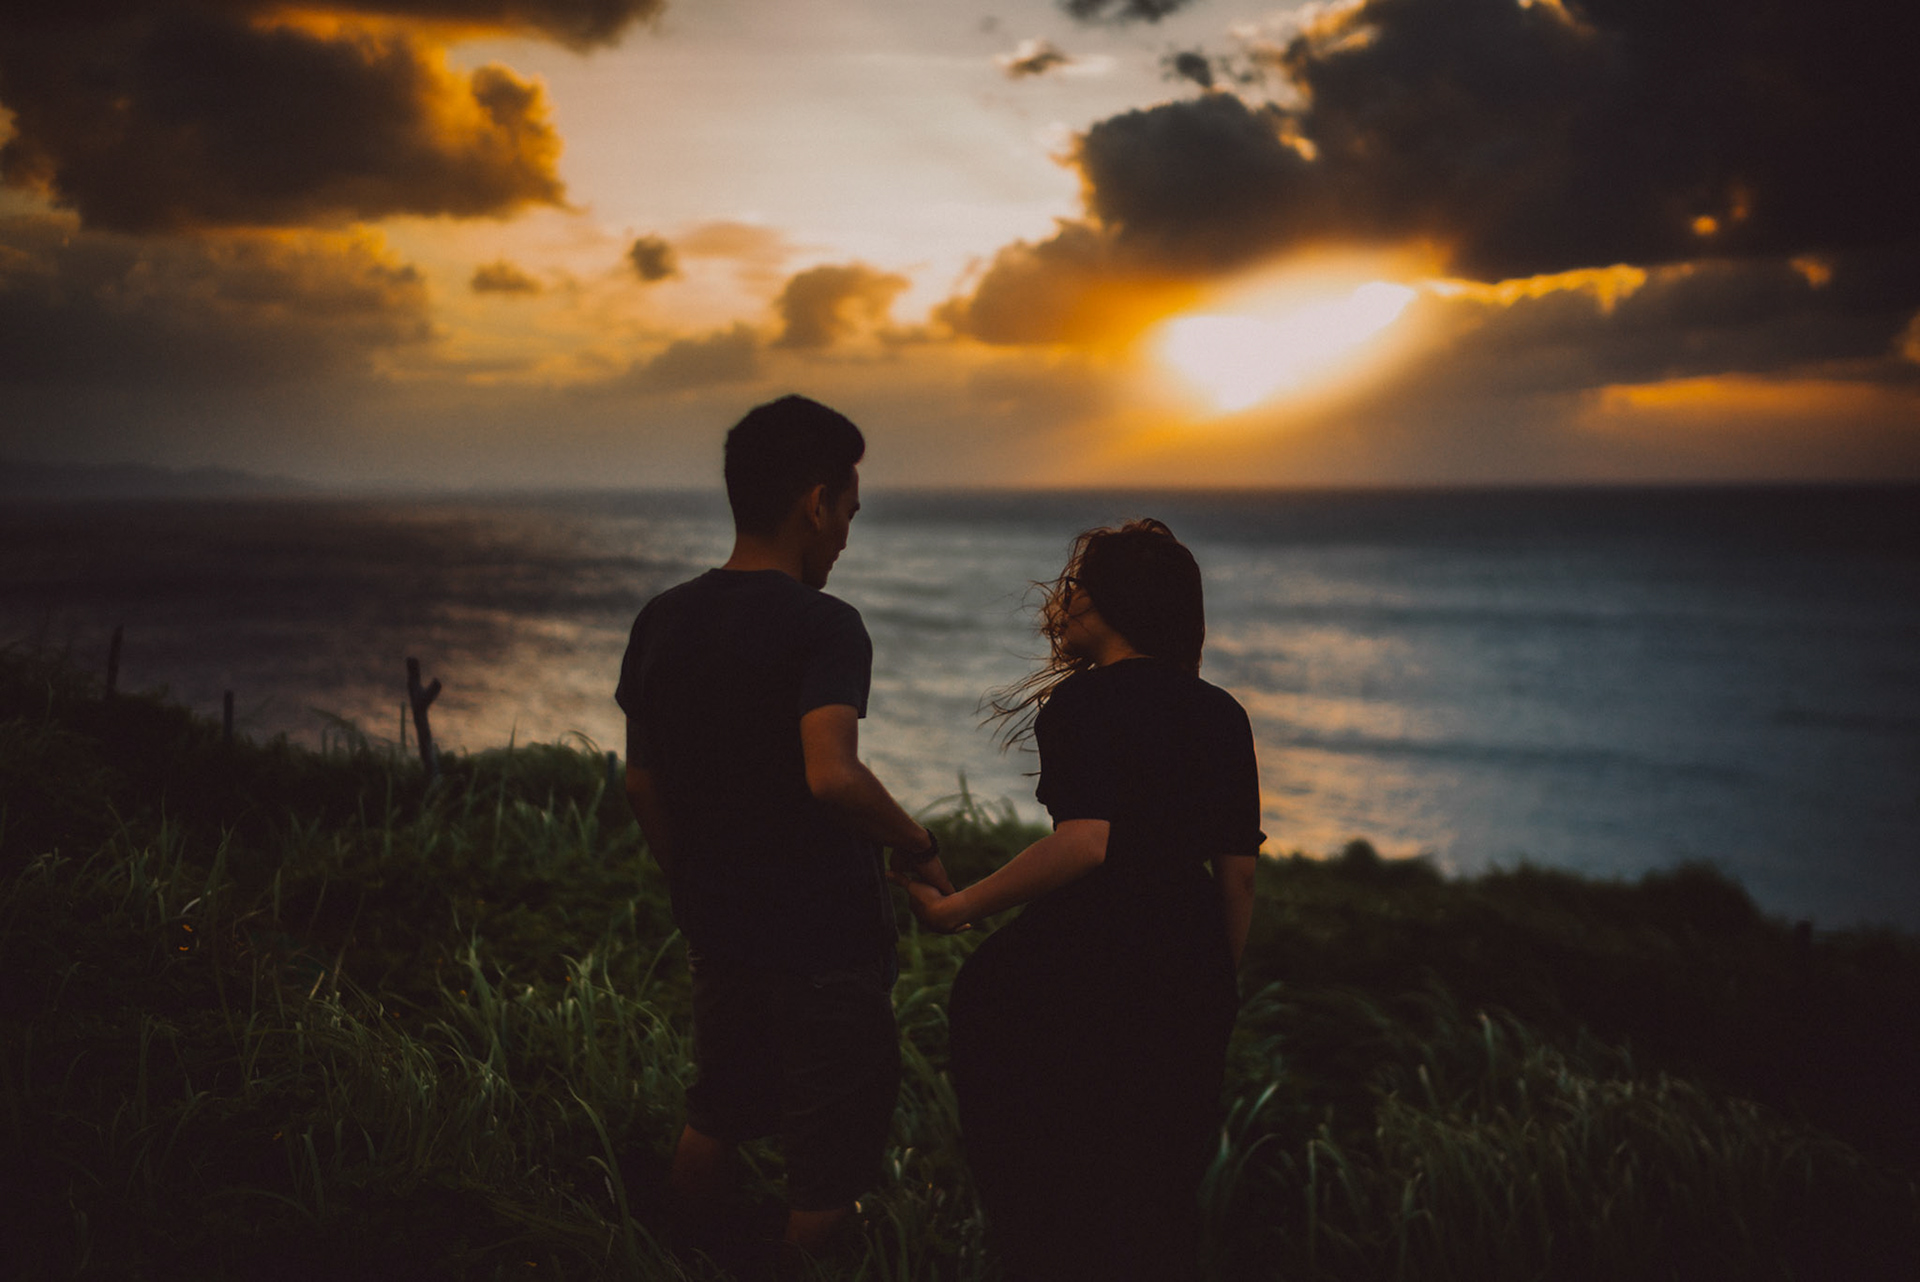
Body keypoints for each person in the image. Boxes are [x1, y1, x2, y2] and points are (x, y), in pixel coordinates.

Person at [615, 394, 953, 1260]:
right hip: (825, 946)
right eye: (848, 511)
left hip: (720, 929)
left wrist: (692, 882)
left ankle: (687, 1263)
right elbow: (831, 771)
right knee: (825, 1174)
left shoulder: (661, 619)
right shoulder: (824, 625)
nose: (846, 533)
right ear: (815, 504)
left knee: (716, 1116)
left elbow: (643, 782)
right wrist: (915, 843)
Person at [895, 518, 1262, 1282]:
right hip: (1187, 964)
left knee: (1052, 1189)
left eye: (1073, 589)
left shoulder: (1081, 705)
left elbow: (1085, 842)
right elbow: (1239, 875)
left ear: (1108, 604)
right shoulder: (1222, 713)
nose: (1059, 603)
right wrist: (1214, 985)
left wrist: (956, 909)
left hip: (1083, 970)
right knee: (1154, 1194)